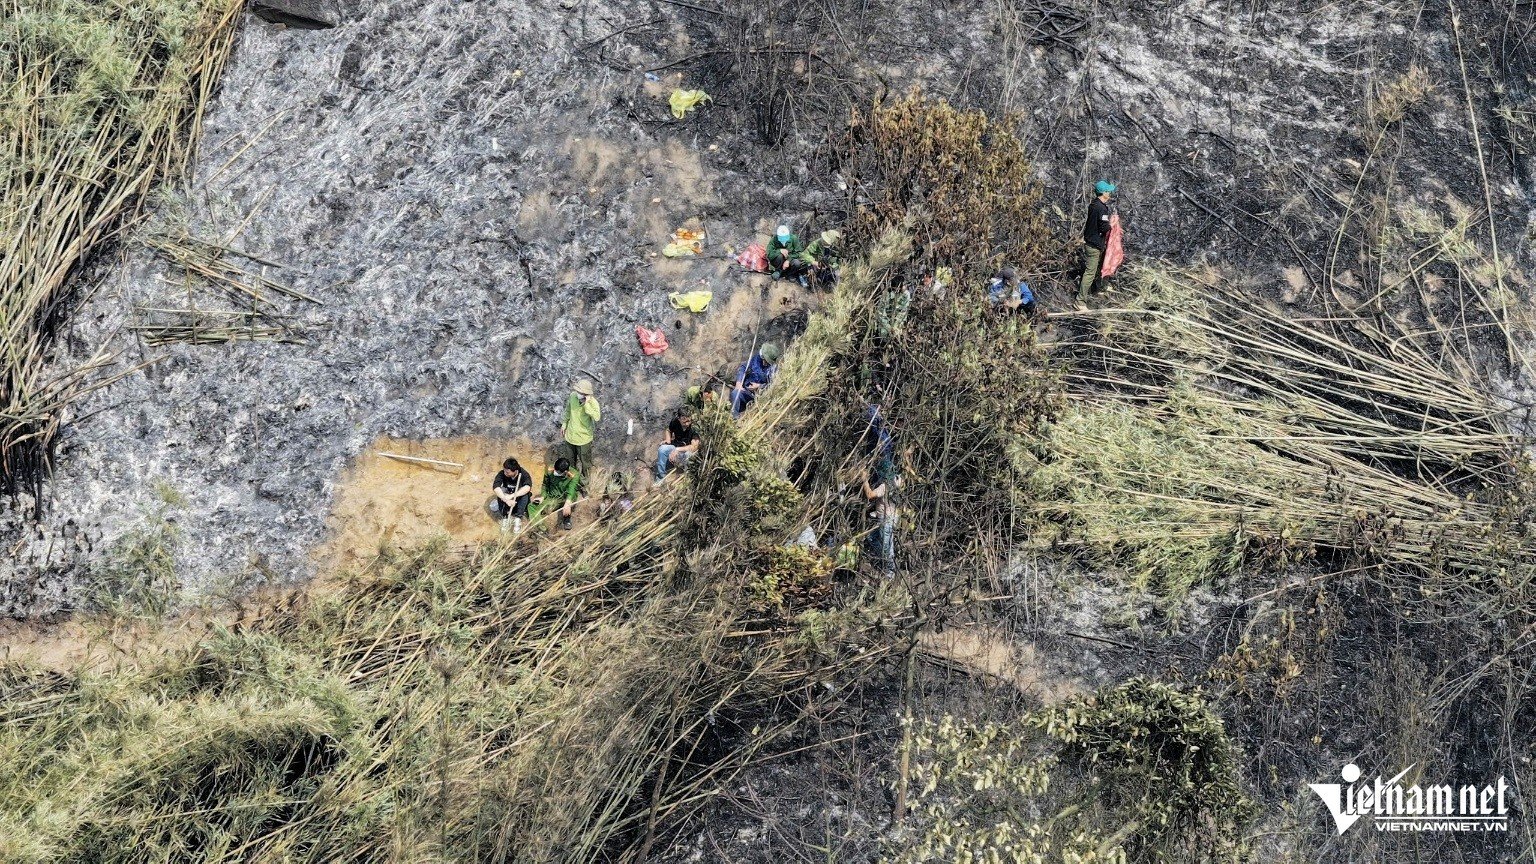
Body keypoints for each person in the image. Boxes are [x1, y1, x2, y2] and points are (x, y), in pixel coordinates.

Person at [1079, 180, 1116, 306]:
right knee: (1089, 273)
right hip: (1094, 245)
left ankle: (1096, 289)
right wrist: (1112, 224)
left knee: (1095, 269)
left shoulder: (1094, 204)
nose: (1110, 193)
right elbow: (1103, 228)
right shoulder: (1101, 208)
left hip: (1090, 242)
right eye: (1108, 191)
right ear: (1103, 193)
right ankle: (1080, 302)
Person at [862, 455, 898, 580]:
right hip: (890, 518)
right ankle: (882, 561)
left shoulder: (884, 486)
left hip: (886, 519)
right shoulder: (897, 481)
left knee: (887, 546)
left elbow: (870, 495)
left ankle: (890, 572)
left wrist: (865, 480)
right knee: (871, 538)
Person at [561, 379, 600, 485]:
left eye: (581, 392)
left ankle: (584, 484)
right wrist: (564, 424)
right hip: (570, 436)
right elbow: (568, 411)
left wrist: (587, 404)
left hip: (584, 439)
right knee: (570, 461)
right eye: (578, 391)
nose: (578, 393)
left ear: (586, 394)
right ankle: (572, 482)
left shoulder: (593, 402)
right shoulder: (572, 396)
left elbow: (597, 417)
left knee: (586, 464)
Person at [530, 457, 581, 530]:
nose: (555, 472)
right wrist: (542, 497)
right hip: (552, 498)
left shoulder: (574, 475)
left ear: (566, 471)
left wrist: (568, 502)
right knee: (532, 506)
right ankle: (542, 529)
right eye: (555, 469)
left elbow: (571, 490)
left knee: (568, 502)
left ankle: (567, 519)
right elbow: (545, 485)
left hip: (565, 497)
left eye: (558, 472)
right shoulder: (550, 469)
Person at [731, 342, 780, 417]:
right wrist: (739, 383)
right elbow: (743, 367)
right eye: (764, 360)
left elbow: (773, 385)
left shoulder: (773, 369)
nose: (765, 363)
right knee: (735, 393)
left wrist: (759, 386)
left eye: (767, 362)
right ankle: (735, 418)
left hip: (759, 397)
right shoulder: (756, 358)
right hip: (746, 392)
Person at [490, 457, 534, 535]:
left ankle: (518, 518)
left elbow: (527, 487)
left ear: (515, 471)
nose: (504, 473)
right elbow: (496, 487)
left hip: (518, 500)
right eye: (504, 471)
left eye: (507, 472)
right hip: (507, 499)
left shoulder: (523, 474)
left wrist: (512, 496)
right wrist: (506, 499)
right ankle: (505, 518)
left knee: (525, 494)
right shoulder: (502, 473)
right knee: (501, 491)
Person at [655, 410, 700, 481]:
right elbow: (668, 430)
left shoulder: (695, 427)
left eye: (689, 421)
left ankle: (687, 477)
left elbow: (694, 447)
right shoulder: (675, 421)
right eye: (684, 422)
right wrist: (668, 440)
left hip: (687, 451)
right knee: (662, 449)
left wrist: (677, 450)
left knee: (689, 455)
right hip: (676, 445)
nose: (687, 424)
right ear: (679, 419)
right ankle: (661, 477)